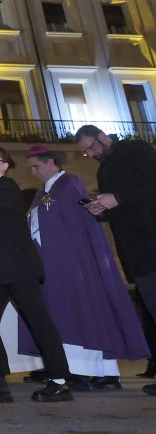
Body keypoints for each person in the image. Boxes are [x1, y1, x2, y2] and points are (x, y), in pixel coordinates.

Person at [0, 147, 72, 404]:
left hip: (18, 269)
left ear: (5, 165)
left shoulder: (6, 188)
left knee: (39, 322)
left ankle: (60, 381)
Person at [25, 145, 148, 388]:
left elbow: (79, 227)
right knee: (65, 318)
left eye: (36, 166)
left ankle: (88, 373)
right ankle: (88, 372)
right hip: (52, 266)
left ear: (51, 162)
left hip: (72, 266)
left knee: (81, 316)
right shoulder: (42, 193)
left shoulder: (69, 184)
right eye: (30, 168)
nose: (33, 172)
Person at [75, 125, 156, 395]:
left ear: (102, 136)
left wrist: (117, 198)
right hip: (136, 252)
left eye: (92, 147)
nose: (91, 153)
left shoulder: (137, 150)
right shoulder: (103, 169)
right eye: (86, 151)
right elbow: (120, 209)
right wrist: (100, 210)